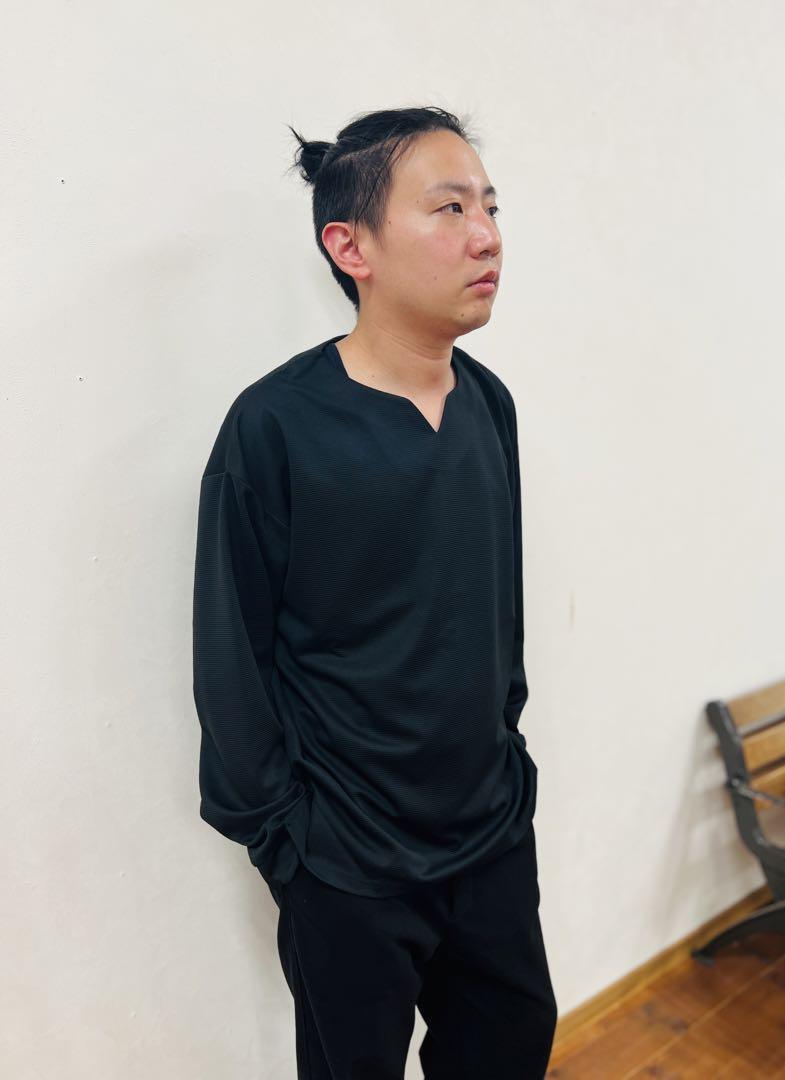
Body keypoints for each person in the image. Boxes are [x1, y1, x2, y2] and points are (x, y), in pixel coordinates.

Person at [192, 105, 557, 1078]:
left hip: (489, 836)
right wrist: (290, 844)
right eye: (449, 208)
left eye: (490, 206)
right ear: (350, 246)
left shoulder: (488, 403)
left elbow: (499, 610)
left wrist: (507, 751)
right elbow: (231, 658)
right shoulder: (275, 427)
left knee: (513, 1047)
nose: (487, 236)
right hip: (346, 864)